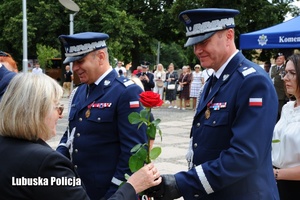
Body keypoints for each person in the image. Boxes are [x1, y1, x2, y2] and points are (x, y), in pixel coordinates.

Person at [147, 8, 279, 199]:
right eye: (194, 44)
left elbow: (244, 156)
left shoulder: (252, 81)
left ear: (229, 36)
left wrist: (181, 183)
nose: (197, 50)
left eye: (204, 42)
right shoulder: (213, 82)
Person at [0, 73, 161, 200]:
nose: (61, 116)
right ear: (37, 111)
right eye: (58, 108)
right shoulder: (47, 164)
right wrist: (132, 186)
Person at [56, 32, 148, 200]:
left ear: (100, 56)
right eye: (72, 62)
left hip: (109, 192)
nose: (74, 68)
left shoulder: (126, 92)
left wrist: (115, 193)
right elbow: (71, 133)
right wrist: (54, 162)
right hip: (80, 191)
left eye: (80, 61)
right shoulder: (80, 91)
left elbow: (134, 154)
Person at [271, 53, 300, 200]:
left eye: (292, 73)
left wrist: (276, 174)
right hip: (277, 183)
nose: (285, 78)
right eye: (285, 72)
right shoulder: (288, 108)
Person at [270, 52, 286, 120]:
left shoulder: (285, 68)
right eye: (277, 58)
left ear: (284, 60)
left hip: (281, 94)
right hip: (273, 93)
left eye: (280, 58)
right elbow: (270, 78)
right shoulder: (273, 68)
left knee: (281, 112)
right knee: (274, 112)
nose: (278, 60)